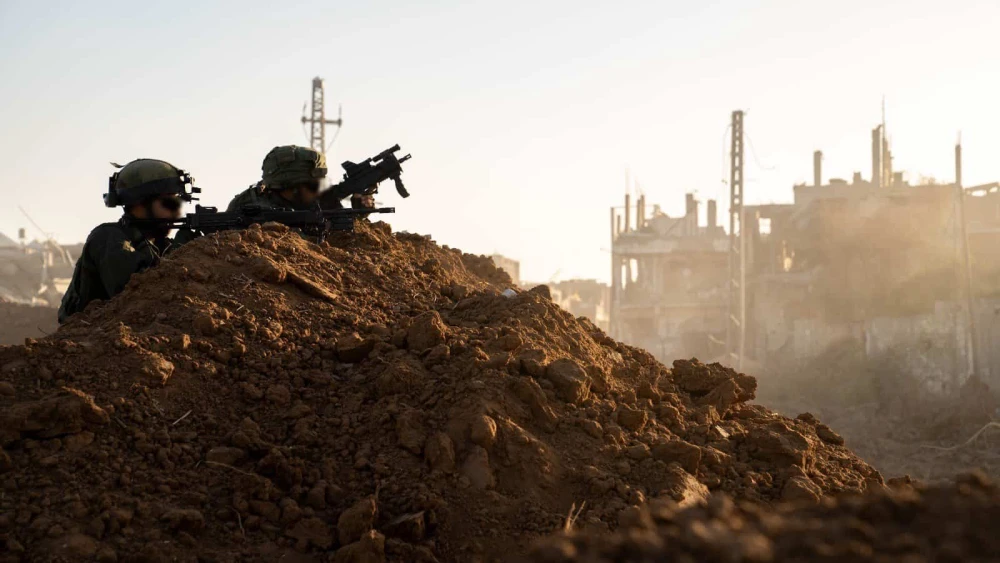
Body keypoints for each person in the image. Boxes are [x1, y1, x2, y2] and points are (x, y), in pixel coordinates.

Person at [58, 159, 198, 323]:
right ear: (139, 204)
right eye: (169, 204)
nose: (177, 213)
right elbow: (137, 295)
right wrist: (181, 251)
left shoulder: (157, 245)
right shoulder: (107, 238)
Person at [227, 145, 376, 213]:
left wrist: (359, 210)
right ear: (292, 187)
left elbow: (342, 237)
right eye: (313, 185)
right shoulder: (252, 207)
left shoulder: (318, 203)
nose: (319, 189)